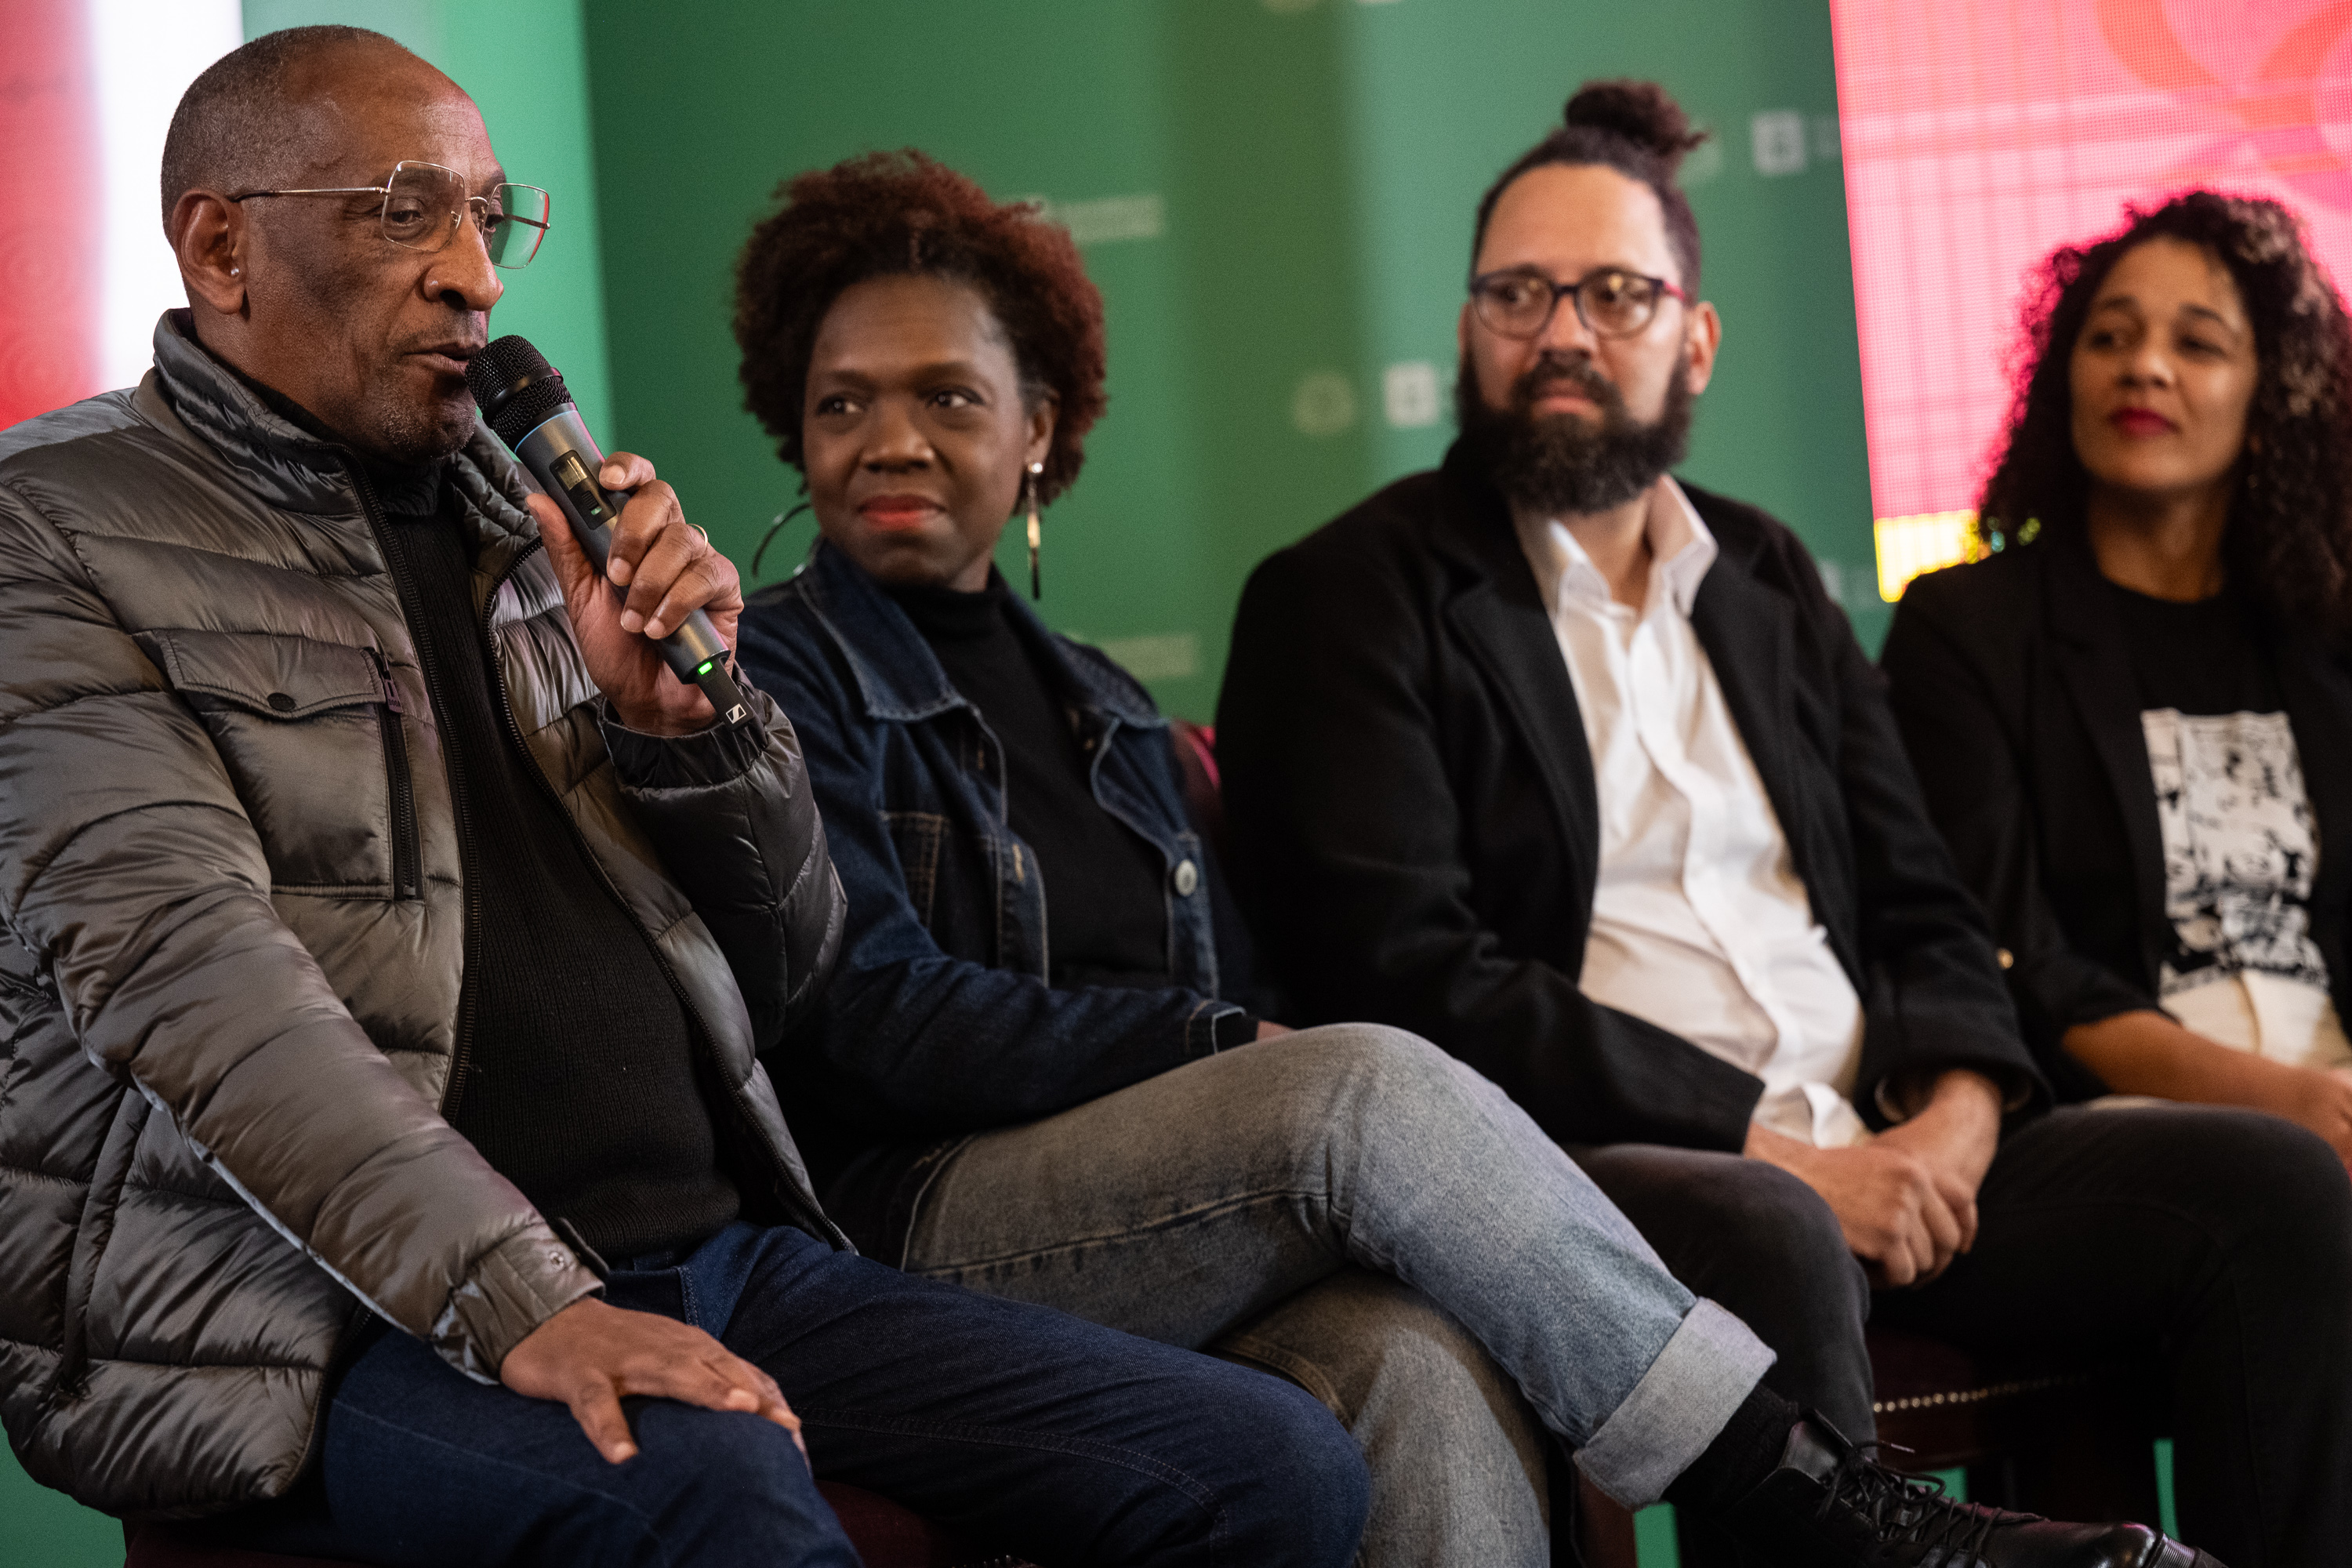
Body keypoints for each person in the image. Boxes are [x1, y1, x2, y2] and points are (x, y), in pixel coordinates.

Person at [0, 28, 1377, 1568]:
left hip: (712, 1247)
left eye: (489, 217)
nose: (478, 276)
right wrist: (526, 1300)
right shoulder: (52, 528)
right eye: (409, 213)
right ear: (221, 243)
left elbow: (793, 969)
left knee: (1271, 1467)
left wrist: (694, 740)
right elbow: (184, 977)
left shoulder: (527, 529)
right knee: (716, 1489)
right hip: (337, 1317)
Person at [731, 147, 2221, 1568]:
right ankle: (1829, 1512)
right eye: (842, 404)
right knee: (1361, 1083)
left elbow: (1230, 981)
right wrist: (1225, 1049)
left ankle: (1829, 1512)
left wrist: (1233, 1047)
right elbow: (865, 1011)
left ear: (1040, 425)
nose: (894, 441)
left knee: (1426, 1367)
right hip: (914, 1220)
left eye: (946, 395)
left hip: (1156, 1212)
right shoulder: (775, 671)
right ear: (794, 428)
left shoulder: (1107, 709)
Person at [1216, 79, 2350, 1568]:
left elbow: (1929, 902)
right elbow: (1412, 977)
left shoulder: (1765, 575)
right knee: (1778, 1230)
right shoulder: (1348, 595)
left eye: (1615, 294)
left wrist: (1956, 1115)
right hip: (1606, 1171)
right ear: (1469, 325)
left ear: (1694, 337)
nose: (1562, 331)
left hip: (1888, 1142)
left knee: (2272, 1190)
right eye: (1519, 293)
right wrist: (1786, 1158)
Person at [1882, 193, 2352, 1164]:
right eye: (2111, 337)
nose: (2145, 365)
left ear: (2271, 401)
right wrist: (2285, 1104)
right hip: (2120, 1116)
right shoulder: (1966, 627)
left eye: (2200, 344)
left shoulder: (2328, 638)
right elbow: (2008, 956)